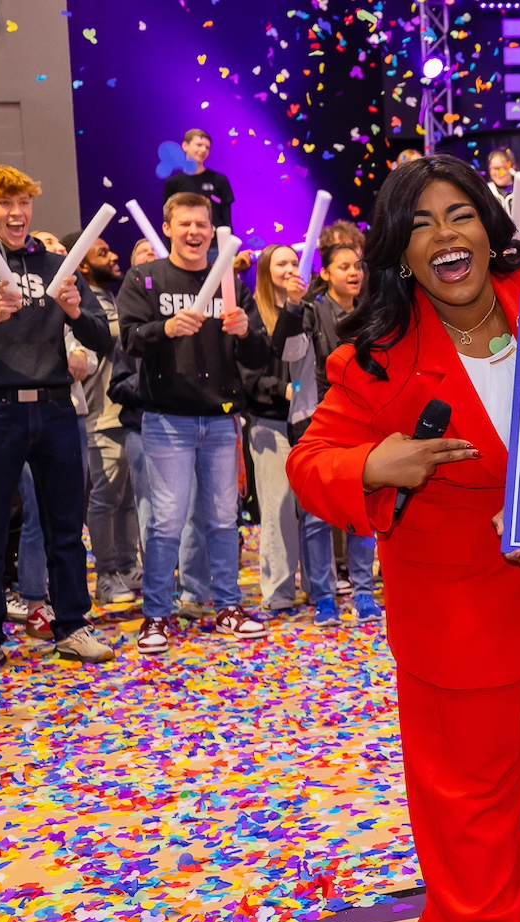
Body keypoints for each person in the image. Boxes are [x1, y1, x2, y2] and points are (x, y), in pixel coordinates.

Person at [286, 155, 520, 922]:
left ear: (489, 225)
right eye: (421, 224)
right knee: (469, 793)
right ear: (400, 251)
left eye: (460, 214)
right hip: (453, 608)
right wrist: (374, 464)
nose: (446, 235)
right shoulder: (377, 355)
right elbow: (312, 464)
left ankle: (493, 914)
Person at [0, 165, 118, 678]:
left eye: (23, 203)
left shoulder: (57, 263)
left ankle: (72, 625)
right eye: (4, 203)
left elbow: (105, 340)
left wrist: (77, 312)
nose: (16, 213)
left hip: (56, 407)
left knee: (64, 528)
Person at [113, 192, 272, 653]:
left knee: (224, 519)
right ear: (167, 228)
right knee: (165, 523)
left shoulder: (229, 281)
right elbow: (127, 340)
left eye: (201, 224)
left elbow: (259, 355)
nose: (194, 232)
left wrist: (246, 332)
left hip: (222, 420)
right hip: (167, 419)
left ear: (212, 228)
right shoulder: (144, 278)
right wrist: (164, 329)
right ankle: (156, 616)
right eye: (184, 224)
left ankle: (228, 605)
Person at [59, 232, 139, 606]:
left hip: (127, 409)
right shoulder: (83, 306)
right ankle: (105, 573)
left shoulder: (110, 297)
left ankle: (127, 565)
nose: (113, 256)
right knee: (105, 496)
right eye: (102, 252)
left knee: (127, 497)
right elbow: (109, 339)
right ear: (83, 265)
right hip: (99, 411)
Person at [294, 242, 364, 626]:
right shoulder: (312, 313)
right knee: (319, 513)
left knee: (362, 505)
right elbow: (297, 359)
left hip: (365, 419)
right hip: (324, 417)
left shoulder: (374, 312)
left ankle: (364, 591)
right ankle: (323, 595)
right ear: (325, 274)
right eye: (343, 266)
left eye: (357, 265)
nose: (353, 272)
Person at [241, 244, 314, 614]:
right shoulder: (253, 312)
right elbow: (248, 375)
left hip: (306, 423)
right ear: (266, 270)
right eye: (281, 263)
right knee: (278, 510)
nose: (290, 268)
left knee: (311, 510)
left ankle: (317, 584)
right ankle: (278, 589)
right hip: (268, 421)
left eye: (295, 262)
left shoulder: (307, 308)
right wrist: (287, 390)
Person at [162, 128, 236, 230]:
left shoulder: (219, 180)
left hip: (214, 241)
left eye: (207, 147)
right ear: (185, 146)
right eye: (199, 145)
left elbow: (226, 219)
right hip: (183, 239)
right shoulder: (173, 182)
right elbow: (168, 217)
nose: (203, 150)